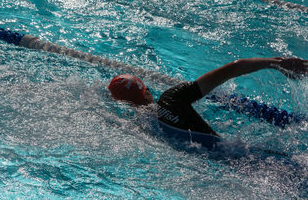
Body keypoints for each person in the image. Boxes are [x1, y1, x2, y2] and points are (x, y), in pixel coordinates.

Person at [108, 57, 308, 147]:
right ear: (147, 93)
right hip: (243, 156)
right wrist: (276, 63)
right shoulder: (171, 99)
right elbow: (233, 68)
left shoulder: (138, 127)